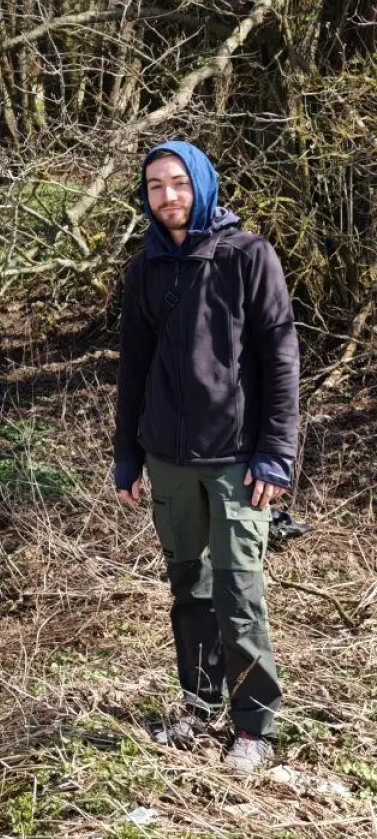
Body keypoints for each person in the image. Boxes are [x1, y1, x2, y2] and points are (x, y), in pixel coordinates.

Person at [113, 140, 300, 774]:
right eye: (156, 186)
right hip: (166, 458)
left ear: (201, 184)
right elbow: (133, 371)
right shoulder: (145, 269)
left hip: (236, 459)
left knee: (238, 589)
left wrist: (275, 454)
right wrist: (127, 457)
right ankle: (199, 705)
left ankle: (254, 726)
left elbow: (280, 358)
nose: (168, 197)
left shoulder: (248, 256)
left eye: (178, 183)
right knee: (187, 587)